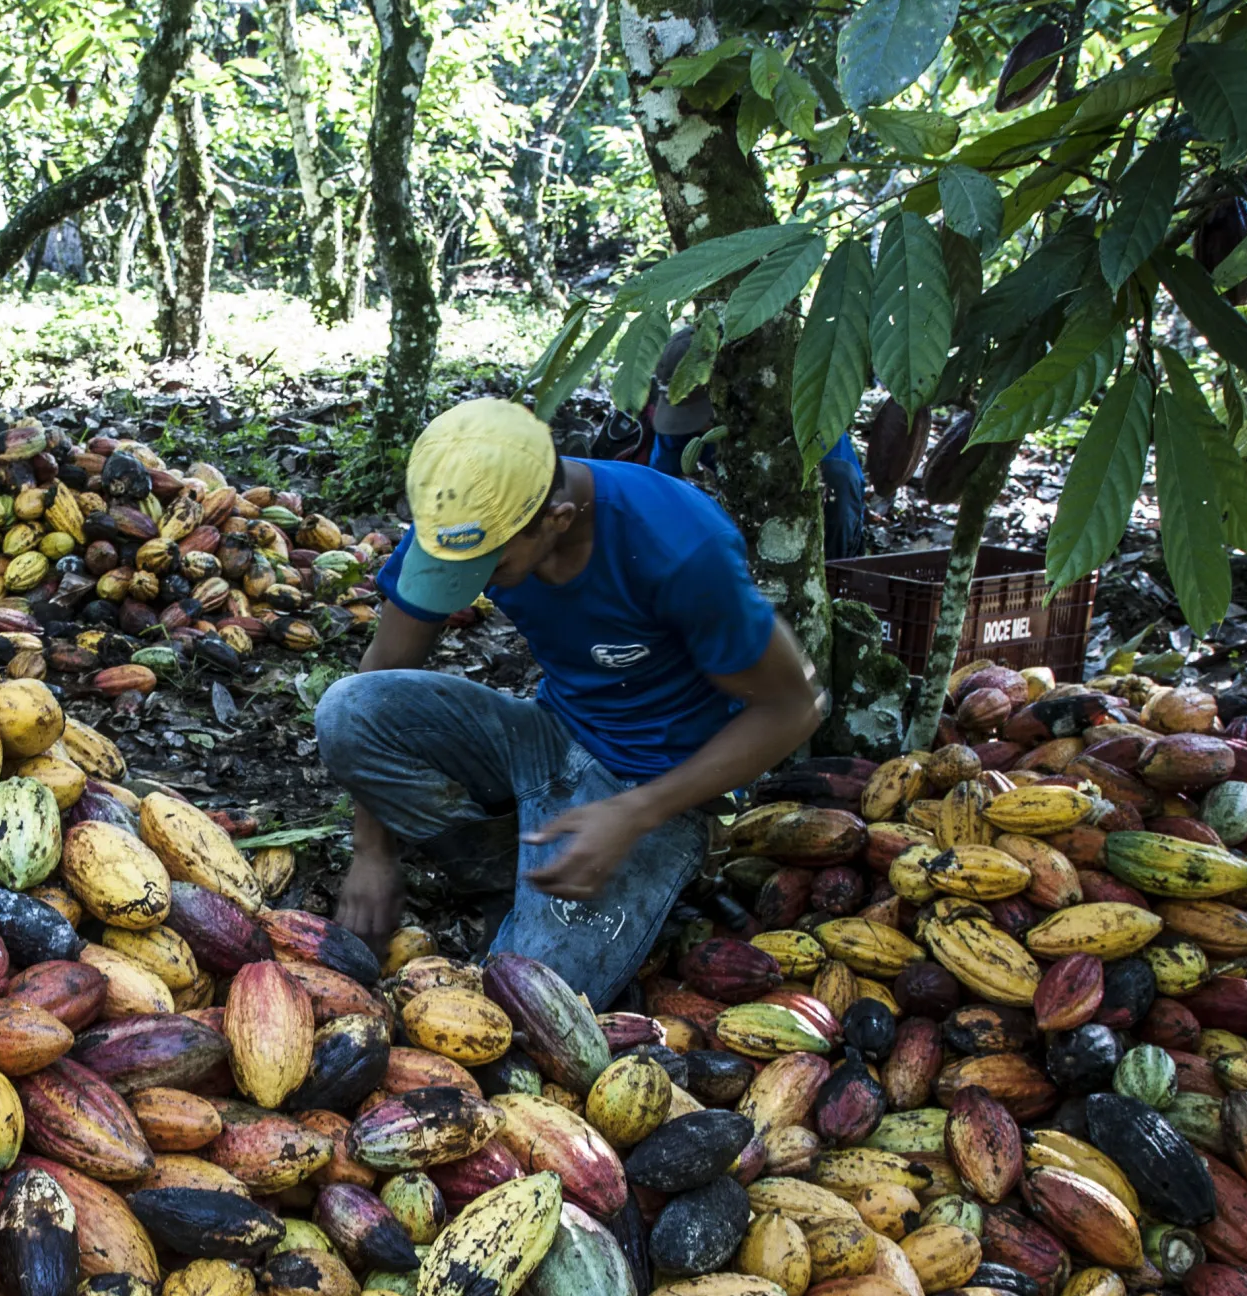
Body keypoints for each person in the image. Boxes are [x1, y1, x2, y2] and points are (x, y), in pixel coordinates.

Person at [317, 397, 827, 1008]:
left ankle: (628, 880)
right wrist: (373, 851)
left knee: (529, 1004)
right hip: (552, 735)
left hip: (658, 787)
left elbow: (795, 707)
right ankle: (515, 869)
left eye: (490, 564)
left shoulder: (679, 546)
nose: (469, 582)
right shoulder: (466, 517)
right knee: (347, 710)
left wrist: (635, 813)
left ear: (558, 519)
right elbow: (383, 674)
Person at [645, 329, 868, 562]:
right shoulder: (684, 428)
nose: (695, 427)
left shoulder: (790, 406)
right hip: (743, 514)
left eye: (700, 417)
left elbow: (843, 492)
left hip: (811, 514)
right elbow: (659, 484)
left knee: (839, 478)